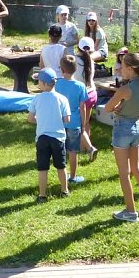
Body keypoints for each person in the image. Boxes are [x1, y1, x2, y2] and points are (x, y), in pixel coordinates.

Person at [103, 52, 139, 222]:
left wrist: (117, 107)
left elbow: (107, 108)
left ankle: (130, 211)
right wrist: (121, 106)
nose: (120, 70)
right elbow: (135, 105)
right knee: (136, 168)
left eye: (122, 67)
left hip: (123, 130)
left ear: (130, 69)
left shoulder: (125, 89)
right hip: (137, 129)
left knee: (124, 172)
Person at [27, 68, 71, 203]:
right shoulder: (62, 99)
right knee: (61, 166)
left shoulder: (37, 99)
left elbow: (30, 118)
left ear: (44, 84)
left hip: (42, 138)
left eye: (38, 81)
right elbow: (67, 120)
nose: (37, 83)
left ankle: (42, 195)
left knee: (42, 167)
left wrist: (40, 121)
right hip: (58, 138)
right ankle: (64, 190)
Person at [56, 55, 90, 185]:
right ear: (76, 69)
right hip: (75, 122)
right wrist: (84, 123)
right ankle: (73, 176)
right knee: (73, 151)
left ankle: (62, 175)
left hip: (60, 121)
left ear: (62, 69)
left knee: (61, 150)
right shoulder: (80, 86)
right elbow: (83, 107)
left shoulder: (57, 84)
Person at [75, 37, 100, 161]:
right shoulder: (90, 60)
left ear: (78, 47)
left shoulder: (74, 60)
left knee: (79, 124)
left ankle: (85, 147)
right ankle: (85, 147)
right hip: (92, 94)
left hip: (81, 96)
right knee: (86, 122)